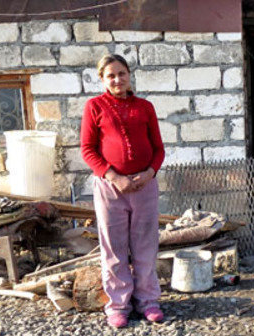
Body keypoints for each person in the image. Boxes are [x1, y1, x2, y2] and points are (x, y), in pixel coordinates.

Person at [80, 54, 165, 328]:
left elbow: (159, 149)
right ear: (103, 80)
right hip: (109, 187)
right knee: (114, 248)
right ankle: (118, 305)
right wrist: (114, 176)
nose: (117, 79)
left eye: (121, 73)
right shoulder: (95, 106)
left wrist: (150, 172)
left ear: (129, 75)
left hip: (145, 186)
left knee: (145, 246)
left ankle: (148, 301)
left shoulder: (145, 107)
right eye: (111, 75)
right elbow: (87, 149)